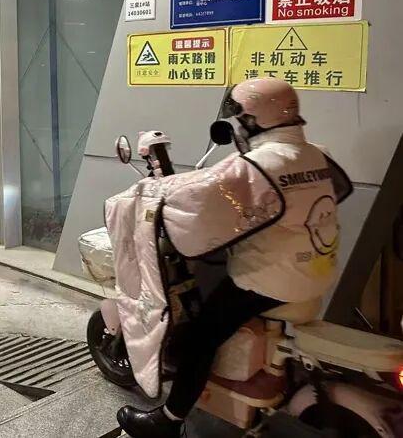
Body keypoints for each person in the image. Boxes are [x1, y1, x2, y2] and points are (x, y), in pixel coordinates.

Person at [117, 78, 346, 438]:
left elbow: (197, 194)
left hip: (273, 278)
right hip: (317, 268)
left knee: (201, 337)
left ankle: (169, 420)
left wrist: (148, 196)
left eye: (239, 119)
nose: (237, 127)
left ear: (253, 120)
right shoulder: (316, 153)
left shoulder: (259, 163)